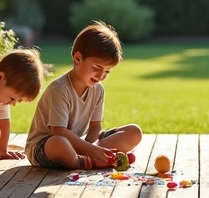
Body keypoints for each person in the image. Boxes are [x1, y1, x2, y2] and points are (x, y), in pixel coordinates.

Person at [26, 21, 143, 170]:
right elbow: (59, 131)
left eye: (107, 71)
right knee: (60, 143)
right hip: (46, 147)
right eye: (97, 68)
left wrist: (93, 147)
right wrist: (93, 151)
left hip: (81, 142)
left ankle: (94, 157)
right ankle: (81, 162)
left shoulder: (98, 90)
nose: (101, 75)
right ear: (78, 58)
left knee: (134, 132)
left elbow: (95, 126)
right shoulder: (60, 89)